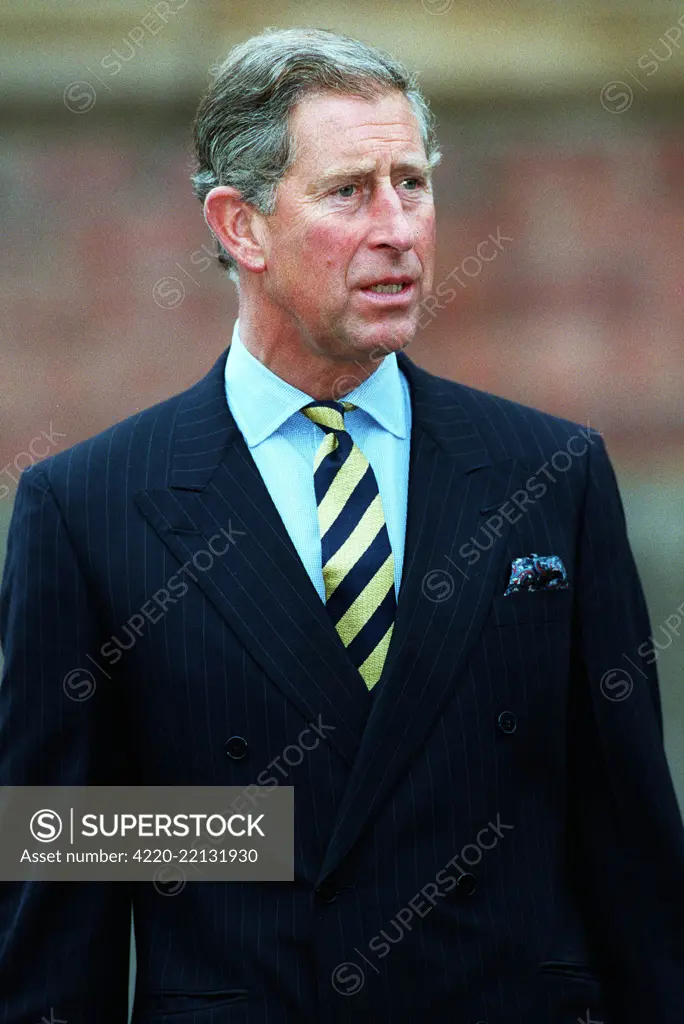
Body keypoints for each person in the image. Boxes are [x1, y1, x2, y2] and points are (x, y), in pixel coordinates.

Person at [1, 26, 683, 1024]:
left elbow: (633, 856)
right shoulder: (87, 507)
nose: (399, 228)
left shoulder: (552, 473)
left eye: (413, 182)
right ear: (241, 225)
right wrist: (254, 829)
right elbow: (64, 867)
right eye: (349, 191)